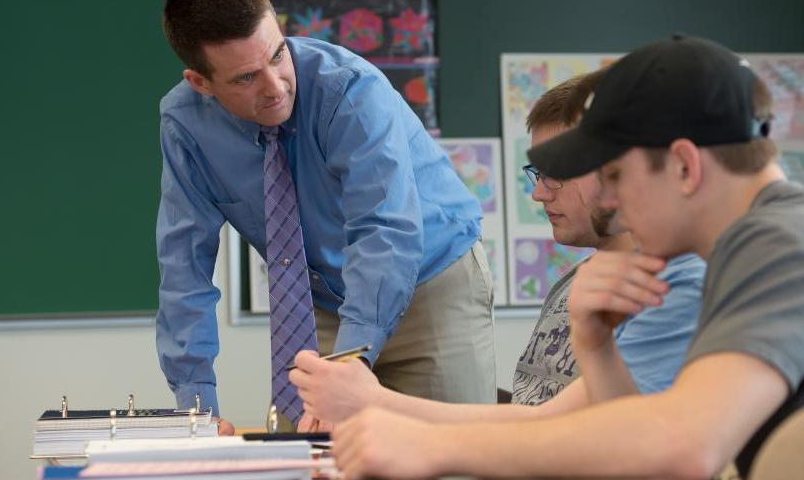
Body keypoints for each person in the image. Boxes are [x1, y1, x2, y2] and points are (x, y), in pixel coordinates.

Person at [326, 35, 804, 480]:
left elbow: (682, 447)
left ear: (683, 166)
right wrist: (593, 345)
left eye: (617, 176)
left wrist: (433, 451)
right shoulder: (767, 236)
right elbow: (645, 444)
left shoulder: (785, 243)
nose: (611, 201)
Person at [155, 0, 496, 433]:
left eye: (277, 55)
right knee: (325, 471)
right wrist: (196, 405)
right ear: (200, 82)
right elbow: (183, 266)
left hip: (431, 283)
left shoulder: (350, 89)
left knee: (452, 465)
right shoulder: (185, 126)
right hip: (330, 302)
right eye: (245, 79)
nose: (274, 86)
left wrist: (352, 361)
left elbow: (384, 229)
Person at [290, 69, 705, 423]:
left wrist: (375, 402)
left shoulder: (674, 287)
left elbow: (560, 430)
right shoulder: (577, 281)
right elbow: (536, 406)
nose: (540, 194)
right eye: (537, 173)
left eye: (558, 172)